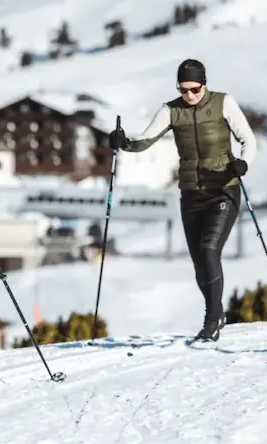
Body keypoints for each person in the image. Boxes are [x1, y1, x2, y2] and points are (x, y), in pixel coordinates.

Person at [108, 59, 257, 342]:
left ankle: (212, 319)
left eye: (195, 89)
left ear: (204, 83)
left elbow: (248, 139)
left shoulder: (224, 103)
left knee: (209, 249)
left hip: (224, 189)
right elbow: (145, 139)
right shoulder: (171, 110)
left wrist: (244, 163)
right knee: (200, 262)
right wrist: (123, 142)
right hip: (191, 194)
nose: (189, 95)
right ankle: (218, 311)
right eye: (183, 89)